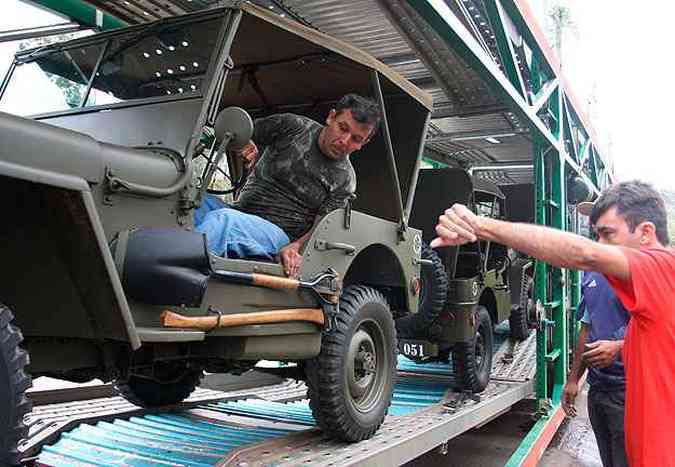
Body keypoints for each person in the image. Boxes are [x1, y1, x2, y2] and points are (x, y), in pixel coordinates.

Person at [430, 181, 675, 467]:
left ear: (646, 232)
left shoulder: (663, 268)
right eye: (596, 236)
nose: (600, 246)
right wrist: (579, 375)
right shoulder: (645, 300)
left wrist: (478, 226)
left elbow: (585, 254)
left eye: (608, 235)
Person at [195, 94, 381, 277]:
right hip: (241, 211)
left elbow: (321, 229)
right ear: (331, 117)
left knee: (223, 221)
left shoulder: (345, 180)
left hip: (279, 235)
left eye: (356, 139)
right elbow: (237, 133)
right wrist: (243, 143)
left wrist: (295, 247)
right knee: (192, 203)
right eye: (342, 128)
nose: (344, 141)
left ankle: (177, 273)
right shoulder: (293, 127)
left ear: (364, 143)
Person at [563, 270, 629, 467]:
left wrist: (619, 347)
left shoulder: (642, 272)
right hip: (598, 389)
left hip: (629, 390)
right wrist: (573, 379)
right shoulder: (593, 274)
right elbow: (586, 328)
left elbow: (662, 331)